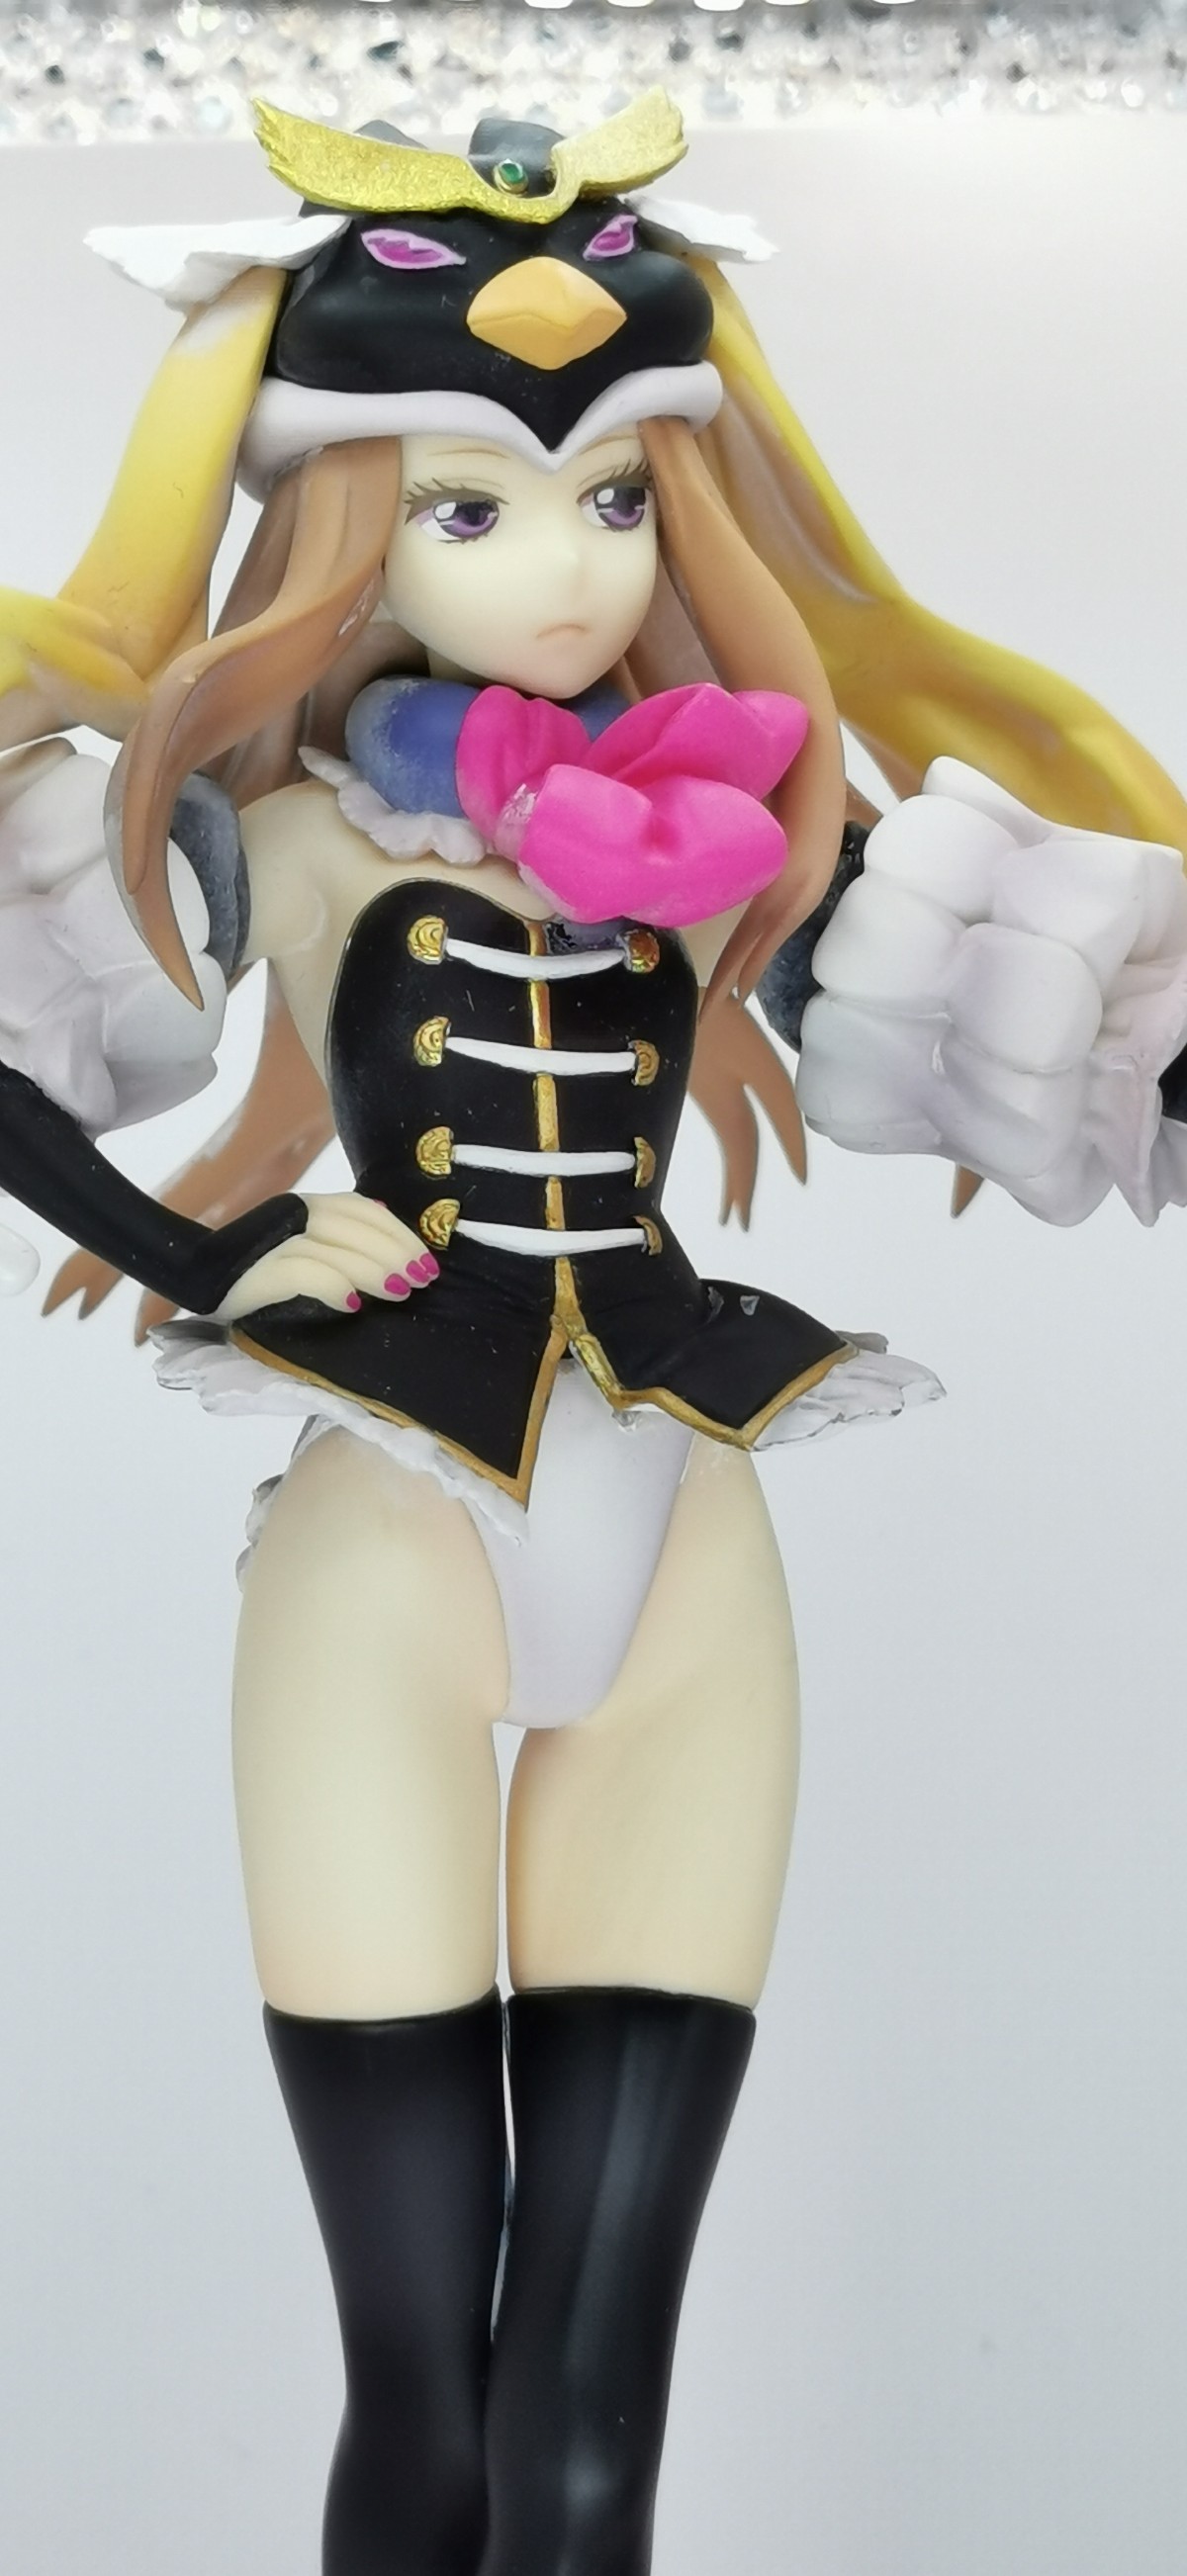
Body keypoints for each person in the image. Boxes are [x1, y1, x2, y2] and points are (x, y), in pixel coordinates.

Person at [1, 87, 1186, 2576]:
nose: (566, 567)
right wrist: (214, 1255)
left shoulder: (747, 834)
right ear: (345, 522)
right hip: (385, 1551)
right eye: (472, 509)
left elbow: (1085, 1026)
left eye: (616, 495)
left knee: (580, 2427)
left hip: (687, 1554)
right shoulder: (278, 830)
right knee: (426, 2405)